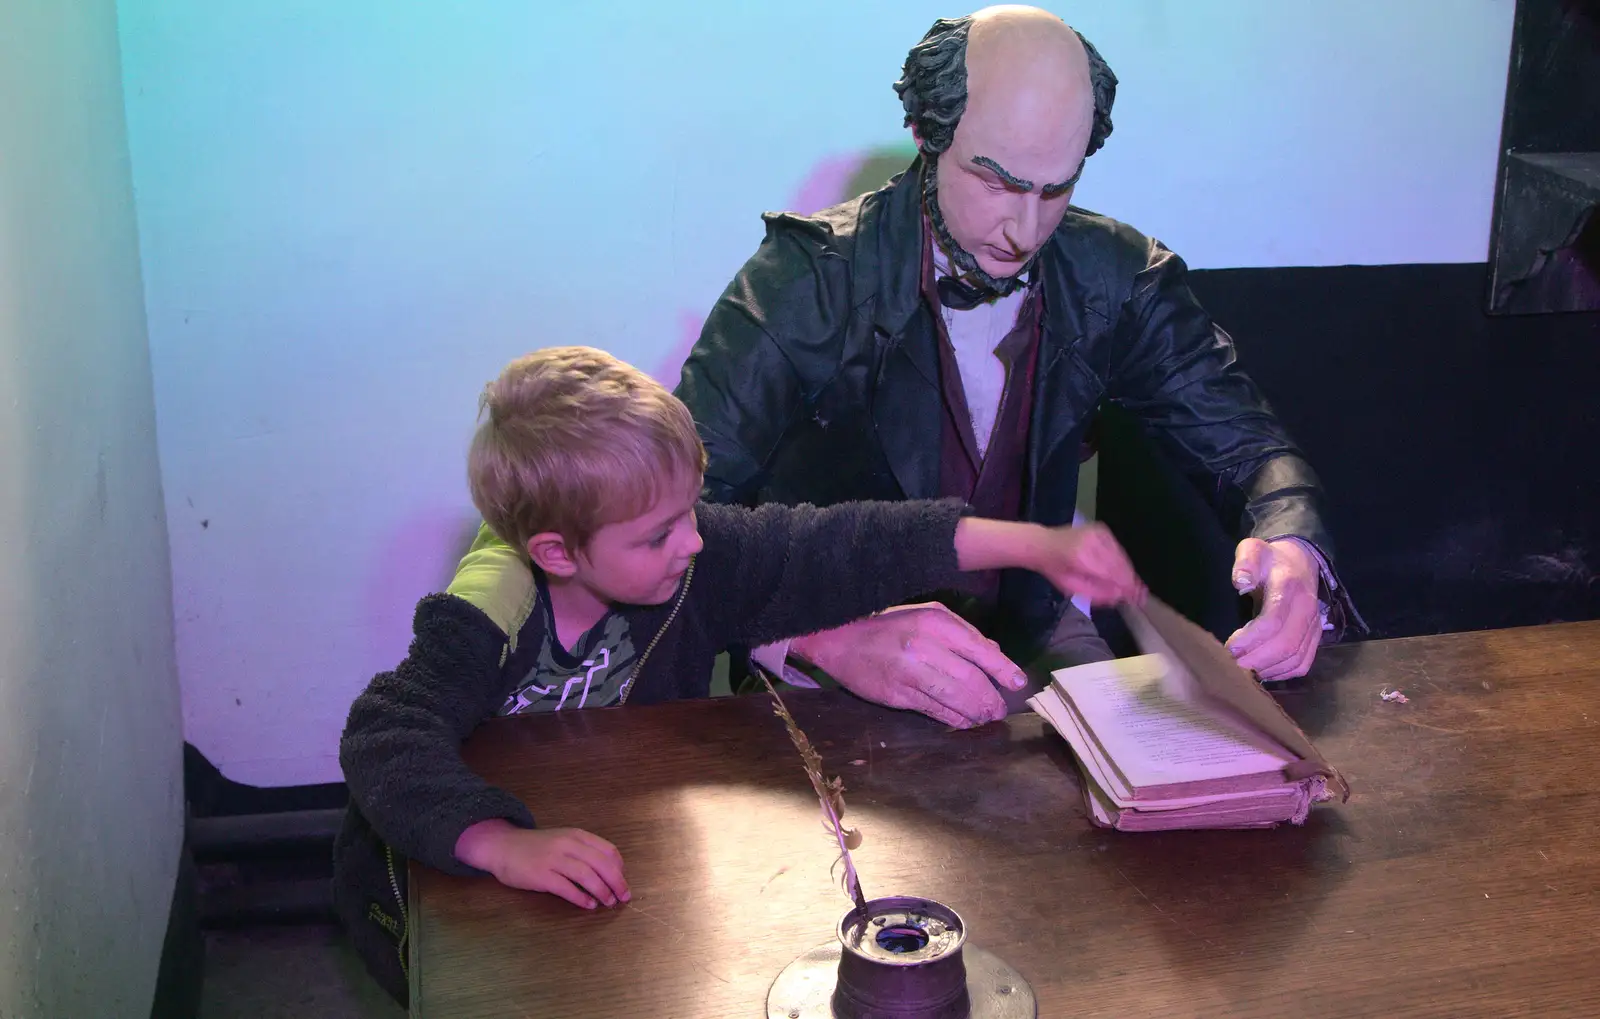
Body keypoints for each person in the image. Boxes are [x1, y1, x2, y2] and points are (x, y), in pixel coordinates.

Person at [334, 345, 1145, 1004]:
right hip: (443, 881)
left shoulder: (686, 554)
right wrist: (499, 844)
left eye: (691, 511)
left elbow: (841, 544)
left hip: (603, 849)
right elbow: (385, 732)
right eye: (658, 534)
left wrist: (1033, 544)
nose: (691, 543)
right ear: (555, 550)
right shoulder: (488, 609)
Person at [672, 5, 1362, 729]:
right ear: (926, 133)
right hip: (836, 654)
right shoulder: (804, 280)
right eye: (997, 182)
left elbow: (1250, 447)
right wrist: (817, 637)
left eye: (1055, 190)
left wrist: (1292, 545)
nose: (1024, 231)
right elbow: (671, 519)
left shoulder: (1116, 277)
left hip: (1027, 630)